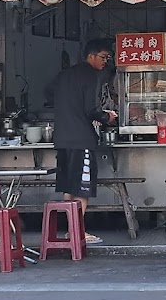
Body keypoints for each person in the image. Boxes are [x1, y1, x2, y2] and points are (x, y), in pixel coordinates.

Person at [50, 38, 117, 245]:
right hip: (81, 140)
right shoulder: (90, 75)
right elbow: (91, 110)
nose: (106, 61)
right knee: (82, 187)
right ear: (91, 56)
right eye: (104, 57)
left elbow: (48, 94)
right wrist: (108, 117)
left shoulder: (64, 75)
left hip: (62, 139)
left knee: (69, 186)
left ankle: (71, 230)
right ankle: (78, 231)